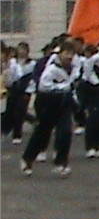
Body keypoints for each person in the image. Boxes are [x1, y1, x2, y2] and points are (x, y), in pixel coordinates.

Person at [21, 39, 79, 177]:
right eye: (67, 53)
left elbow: (74, 81)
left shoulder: (74, 66)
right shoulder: (52, 68)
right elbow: (43, 86)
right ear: (60, 53)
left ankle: (61, 162)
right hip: (48, 102)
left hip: (64, 103)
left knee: (66, 132)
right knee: (42, 132)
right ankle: (27, 158)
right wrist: (62, 86)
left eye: (72, 54)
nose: (69, 57)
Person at [3, 42, 35, 144]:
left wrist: (29, 91)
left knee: (19, 111)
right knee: (10, 110)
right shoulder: (13, 62)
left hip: (24, 90)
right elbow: (9, 75)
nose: (21, 52)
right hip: (13, 88)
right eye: (20, 49)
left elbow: (32, 79)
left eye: (24, 50)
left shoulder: (32, 64)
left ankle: (17, 134)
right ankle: (5, 130)